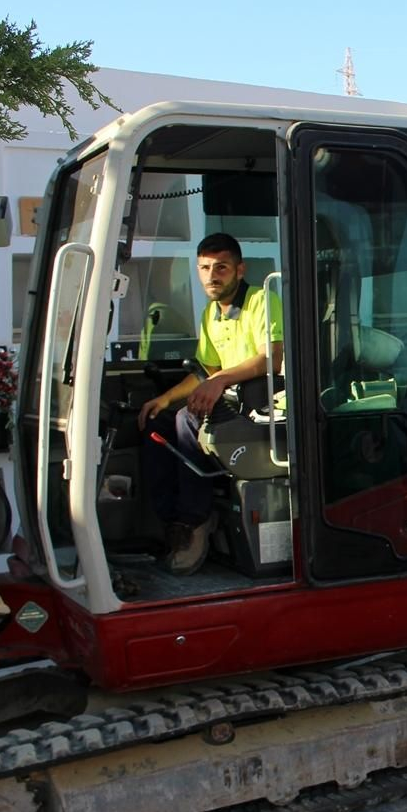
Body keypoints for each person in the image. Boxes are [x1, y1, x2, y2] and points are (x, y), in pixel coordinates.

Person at [138, 233, 283, 574]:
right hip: (229, 402)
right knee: (157, 421)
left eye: (221, 267)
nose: (211, 276)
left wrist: (218, 381)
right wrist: (165, 397)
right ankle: (172, 522)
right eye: (204, 268)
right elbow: (207, 371)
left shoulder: (262, 300)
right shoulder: (211, 314)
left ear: (239, 270)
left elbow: (271, 359)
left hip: (260, 407)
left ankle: (196, 521)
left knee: (189, 418)